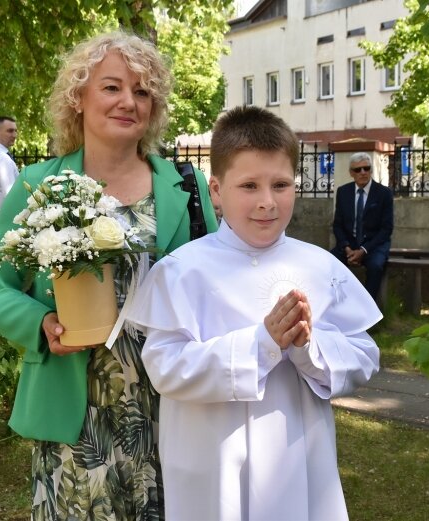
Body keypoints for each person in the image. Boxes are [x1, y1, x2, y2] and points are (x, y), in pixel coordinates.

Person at [0, 31, 217, 520]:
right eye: (111, 87)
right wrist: (41, 326)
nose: (129, 101)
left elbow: (216, 288)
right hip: (73, 421)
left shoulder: (185, 188)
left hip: (168, 413)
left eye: (143, 91)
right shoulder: (38, 185)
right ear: (78, 97)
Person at [126, 106, 381, 521]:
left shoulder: (320, 267)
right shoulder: (181, 271)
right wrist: (259, 345)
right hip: (212, 457)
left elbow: (364, 356)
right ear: (215, 191)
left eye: (280, 184)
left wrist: (308, 347)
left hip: (298, 453)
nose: (267, 202)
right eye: (249, 185)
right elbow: (165, 367)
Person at [331, 152, 394, 302]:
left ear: (371, 170)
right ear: (351, 173)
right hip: (349, 246)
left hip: (374, 246)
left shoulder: (384, 193)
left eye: (366, 168)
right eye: (358, 170)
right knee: (329, 262)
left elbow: (386, 229)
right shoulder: (343, 192)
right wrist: (346, 248)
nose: (363, 172)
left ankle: (367, 313)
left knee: (375, 267)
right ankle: (337, 306)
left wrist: (363, 251)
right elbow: (337, 225)